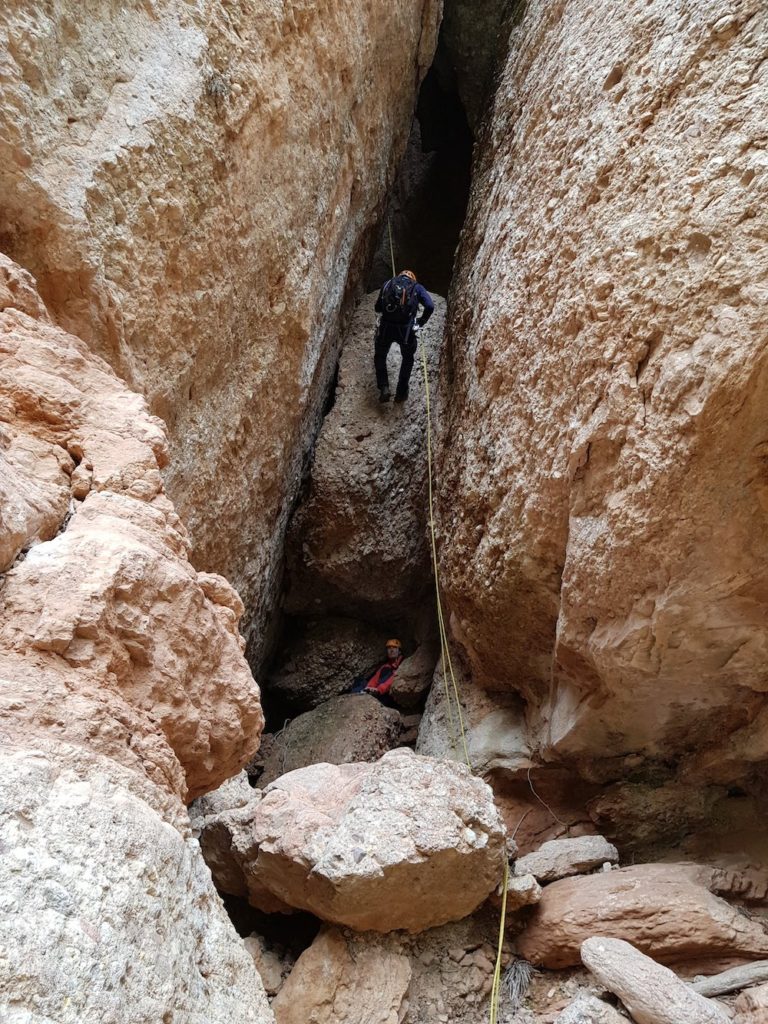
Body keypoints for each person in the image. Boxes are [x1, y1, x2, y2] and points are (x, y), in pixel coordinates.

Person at [374, 270, 434, 403]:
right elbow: (430, 306)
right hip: (406, 331)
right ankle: (401, 393)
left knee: (380, 355)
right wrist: (420, 321)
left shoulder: (388, 284)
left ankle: (384, 387)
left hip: (386, 329)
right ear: (412, 278)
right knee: (407, 358)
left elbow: (377, 308)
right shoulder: (417, 287)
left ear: (400, 275)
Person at [349, 639, 403, 707]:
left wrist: (378, 690)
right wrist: (368, 688)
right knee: (359, 681)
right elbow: (375, 679)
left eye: (394, 648)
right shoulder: (385, 666)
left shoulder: (403, 665)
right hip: (377, 691)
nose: (391, 650)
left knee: (386, 671)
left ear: (399, 651)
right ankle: (356, 698)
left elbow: (393, 679)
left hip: (387, 695)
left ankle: (369, 700)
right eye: (389, 648)